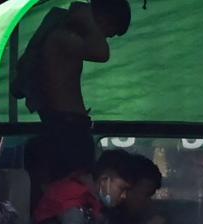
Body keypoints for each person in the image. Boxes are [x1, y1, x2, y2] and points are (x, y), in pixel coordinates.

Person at [15, 0, 131, 170]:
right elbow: (102, 53)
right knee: (76, 183)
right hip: (66, 124)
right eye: (108, 33)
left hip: (63, 122)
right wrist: (86, 15)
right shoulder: (63, 37)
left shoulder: (64, 35)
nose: (105, 38)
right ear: (103, 20)